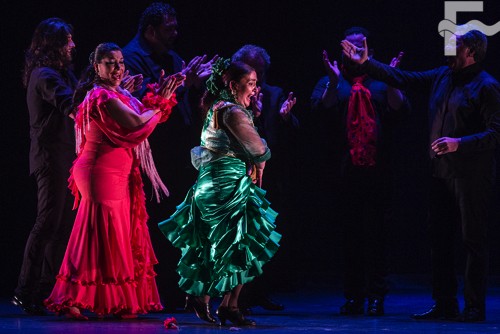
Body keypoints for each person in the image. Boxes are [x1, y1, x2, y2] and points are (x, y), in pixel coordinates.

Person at [341, 28, 500, 322]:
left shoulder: (487, 86)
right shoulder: (442, 75)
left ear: (471, 51)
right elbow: (404, 78)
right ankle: (445, 303)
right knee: (439, 240)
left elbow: (496, 133)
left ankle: (475, 307)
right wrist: (367, 63)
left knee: (472, 242)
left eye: (456, 44)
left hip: (470, 177)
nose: (448, 48)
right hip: (440, 173)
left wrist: (458, 144)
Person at [44, 42, 185, 320]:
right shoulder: (101, 97)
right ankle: (72, 296)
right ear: (96, 67)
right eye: (109, 62)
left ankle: (116, 299)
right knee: (96, 235)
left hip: (117, 172)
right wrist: (161, 103)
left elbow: (140, 114)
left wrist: (159, 97)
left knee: (113, 236)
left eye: (120, 62)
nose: (117, 68)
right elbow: (136, 124)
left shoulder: (115, 93)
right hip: (100, 172)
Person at [158, 59, 281, 326]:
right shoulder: (232, 112)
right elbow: (258, 150)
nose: (255, 89)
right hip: (227, 185)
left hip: (209, 183)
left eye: (256, 83)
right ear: (234, 85)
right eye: (250, 84)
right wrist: (260, 163)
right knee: (244, 240)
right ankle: (229, 305)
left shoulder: (218, 106)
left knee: (212, 244)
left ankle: (204, 298)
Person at [122, 3, 216, 309]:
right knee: (158, 219)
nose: (175, 33)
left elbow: (182, 94)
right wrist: (180, 85)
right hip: (152, 153)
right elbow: (137, 103)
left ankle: (183, 289)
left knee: (181, 217)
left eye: (175, 27)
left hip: (177, 151)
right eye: (169, 28)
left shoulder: (173, 57)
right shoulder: (132, 58)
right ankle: (160, 292)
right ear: (150, 30)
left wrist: (195, 83)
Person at [311, 27, 409, 317]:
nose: (354, 51)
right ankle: (353, 296)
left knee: (378, 236)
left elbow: (401, 110)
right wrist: (332, 81)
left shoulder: (381, 79)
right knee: (350, 236)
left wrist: (391, 78)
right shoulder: (333, 79)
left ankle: (377, 296)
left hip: (379, 170)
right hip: (345, 170)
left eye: (360, 47)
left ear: (370, 52)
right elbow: (322, 111)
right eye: (349, 47)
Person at [13, 18, 78, 316]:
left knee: (60, 226)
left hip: (64, 158)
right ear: (54, 44)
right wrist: (100, 92)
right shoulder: (45, 75)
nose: (72, 46)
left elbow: (81, 96)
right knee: (47, 223)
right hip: (50, 159)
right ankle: (25, 291)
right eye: (67, 41)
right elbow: (73, 105)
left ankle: (45, 290)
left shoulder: (62, 74)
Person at [231, 44, 298, 312]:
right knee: (238, 236)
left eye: (260, 71)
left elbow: (290, 132)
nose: (255, 75)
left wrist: (285, 118)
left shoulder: (273, 94)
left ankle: (259, 292)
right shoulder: (230, 95)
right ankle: (236, 297)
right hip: (237, 172)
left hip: (266, 175)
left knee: (262, 235)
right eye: (249, 69)